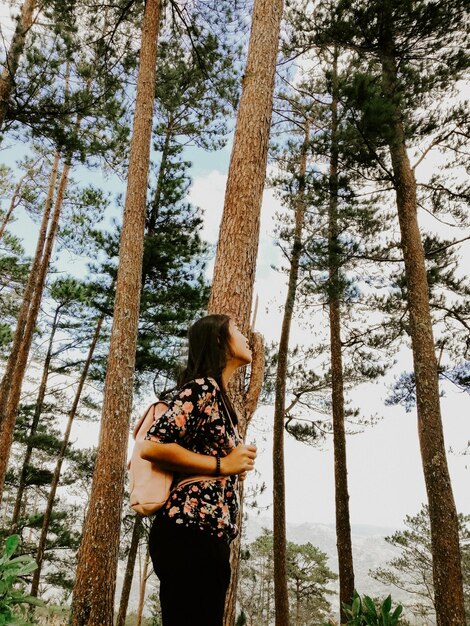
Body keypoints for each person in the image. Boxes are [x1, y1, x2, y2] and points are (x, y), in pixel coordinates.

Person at [140, 313, 258, 626]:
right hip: (188, 532)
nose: (246, 337)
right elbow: (152, 446)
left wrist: (233, 468)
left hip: (207, 536)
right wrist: (223, 464)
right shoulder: (201, 388)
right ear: (220, 341)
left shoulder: (219, 398)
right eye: (236, 330)